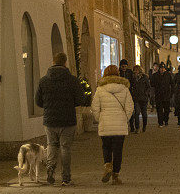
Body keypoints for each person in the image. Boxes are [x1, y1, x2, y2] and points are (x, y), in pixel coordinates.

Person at [35, 52, 86, 186]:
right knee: (65, 148)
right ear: (65, 63)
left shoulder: (43, 81)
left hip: (50, 120)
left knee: (51, 145)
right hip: (68, 120)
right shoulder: (73, 80)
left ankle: (50, 169)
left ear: (53, 62)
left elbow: (38, 102)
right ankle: (66, 177)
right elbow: (80, 99)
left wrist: (49, 106)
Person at [91, 65, 134, 185]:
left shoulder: (100, 89)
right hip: (120, 123)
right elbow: (130, 106)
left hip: (105, 122)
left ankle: (107, 165)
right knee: (118, 150)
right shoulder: (124, 89)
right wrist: (125, 118)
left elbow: (95, 107)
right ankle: (115, 176)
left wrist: (100, 118)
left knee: (106, 147)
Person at [128, 65, 150, 133]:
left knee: (144, 113)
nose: (135, 71)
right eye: (134, 70)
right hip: (136, 98)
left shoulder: (144, 77)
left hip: (143, 98)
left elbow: (148, 87)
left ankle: (144, 126)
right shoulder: (133, 78)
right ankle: (137, 127)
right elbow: (130, 86)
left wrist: (146, 93)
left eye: (137, 70)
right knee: (136, 113)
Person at [152, 62, 173, 127]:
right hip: (158, 95)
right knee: (159, 110)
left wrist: (171, 93)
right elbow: (152, 84)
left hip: (166, 95)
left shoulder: (168, 75)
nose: (162, 70)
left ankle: (166, 120)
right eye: (161, 68)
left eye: (163, 68)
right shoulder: (155, 75)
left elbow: (172, 84)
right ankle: (160, 122)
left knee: (166, 110)